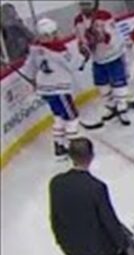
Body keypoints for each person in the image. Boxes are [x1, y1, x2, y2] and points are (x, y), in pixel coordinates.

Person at [21, 18, 80, 160]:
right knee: (72, 117)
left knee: (58, 117)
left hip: (46, 90)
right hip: (59, 89)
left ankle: (59, 147)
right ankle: (74, 148)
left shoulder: (35, 49)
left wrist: (32, 80)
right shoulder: (58, 49)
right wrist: (80, 55)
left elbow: (28, 69)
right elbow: (73, 65)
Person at [73, 0, 131, 126]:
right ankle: (111, 107)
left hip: (113, 55)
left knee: (118, 83)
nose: (84, 7)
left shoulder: (104, 15)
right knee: (102, 85)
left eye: (87, 4)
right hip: (97, 59)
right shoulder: (78, 20)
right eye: (82, 4)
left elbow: (113, 36)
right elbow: (81, 39)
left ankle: (122, 108)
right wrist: (84, 48)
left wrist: (102, 36)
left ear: (94, 4)